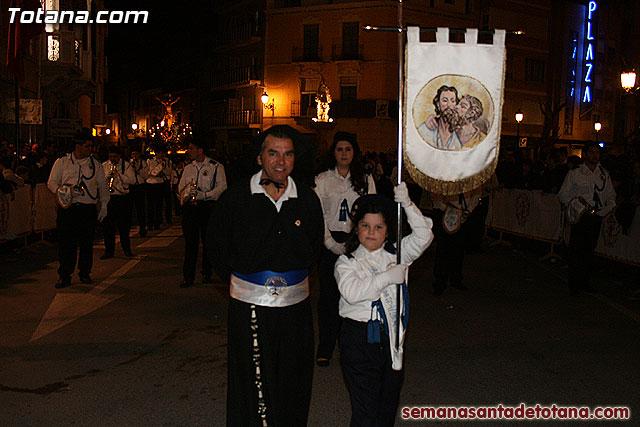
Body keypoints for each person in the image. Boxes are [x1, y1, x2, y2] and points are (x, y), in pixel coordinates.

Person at [208, 125, 324, 426]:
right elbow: (216, 248)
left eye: (287, 154)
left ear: (295, 159)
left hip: (296, 311)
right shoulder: (235, 199)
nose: (280, 162)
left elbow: (314, 249)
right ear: (260, 157)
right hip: (249, 309)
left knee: (294, 380)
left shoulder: (308, 201)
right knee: (252, 381)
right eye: (272, 153)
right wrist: (246, 284)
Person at [336, 184, 433, 427]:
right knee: (365, 409)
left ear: (388, 231)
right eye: (365, 226)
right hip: (359, 339)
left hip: (390, 339)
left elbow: (424, 236)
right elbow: (352, 292)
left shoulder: (397, 254)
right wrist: (386, 278)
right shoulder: (346, 262)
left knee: (387, 406)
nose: (371, 232)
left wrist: (408, 205)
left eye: (378, 227)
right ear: (356, 229)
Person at [314, 131, 376, 367]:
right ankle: (326, 346)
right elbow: (318, 215)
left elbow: (371, 212)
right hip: (329, 241)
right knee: (329, 297)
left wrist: (358, 244)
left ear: (354, 152)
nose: (343, 154)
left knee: (354, 296)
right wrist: (330, 244)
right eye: (339, 149)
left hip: (357, 241)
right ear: (334, 152)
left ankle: (351, 347)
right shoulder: (322, 179)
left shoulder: (365, 178)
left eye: (348, 149)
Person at [47, 131, 109, 288]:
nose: (91, 149)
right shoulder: (62, 162)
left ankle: (85, 273)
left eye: (91, 146)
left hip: (87, 208)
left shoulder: (95, 164)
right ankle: (65, 275)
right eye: (87, 146)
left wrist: (104, 205)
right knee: (66, 243)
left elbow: (102, 186)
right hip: (68, 208)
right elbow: (52, 182)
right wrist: (64, 191)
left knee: (86, 243)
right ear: (78, 146)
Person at [558, 141, 616, 295]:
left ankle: (585, 282)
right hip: (581, 216)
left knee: (589, 251)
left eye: (597, 152)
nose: (594, 156)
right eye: (591, 152)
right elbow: (563, 194)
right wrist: (577, 206)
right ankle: (574, 284)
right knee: (576, 251)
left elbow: (610, 194)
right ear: (585, 154)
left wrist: (608, 206)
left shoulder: (603, 173)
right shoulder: (575, 172)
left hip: (596, 216)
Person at [177, 140, 227, 287]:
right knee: (190, 243)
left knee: (208, 241)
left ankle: (207, 272)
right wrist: (186, 194)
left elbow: (221, 188)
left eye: (191, 148)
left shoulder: (216, 167)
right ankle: (188, 276)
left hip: (207, 207)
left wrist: (204, 195)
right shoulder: (188, 168)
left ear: (200, 150)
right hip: (191, 209)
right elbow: (181, 186)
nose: (188, 151)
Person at [101, 146, 136, 259]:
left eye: (115, 157)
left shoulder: (126, 165)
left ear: (119, 156)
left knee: (124, 226)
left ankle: (127, 249)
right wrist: (107, 178)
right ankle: (109, 251)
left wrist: (119, 176)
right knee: (108, 227)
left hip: (122, 198)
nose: (112, 159)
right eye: (110, 157)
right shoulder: (104, 165)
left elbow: (132, 180)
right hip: (109, 198)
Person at [417, 85, 462, 150]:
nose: (449, 105)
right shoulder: (426, 129)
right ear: (438, 104)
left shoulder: (459, 131)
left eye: (452, 101)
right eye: (445, 100)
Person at [146, 148, 172, 230]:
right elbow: (148, 172)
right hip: (150, 183)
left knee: (159, 205)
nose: (162, 155)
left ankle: (158, 223)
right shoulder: (150, 161)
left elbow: (169, 172)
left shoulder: (167, 161)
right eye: (160, 153)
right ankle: (150, 223)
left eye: (163, 153)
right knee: (150, 205)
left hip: (160, 183)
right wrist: (153, 172)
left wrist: (162, 167)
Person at [129, 147, 149, 237]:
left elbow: (145, 175)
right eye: (133, 154)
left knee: (141, 208)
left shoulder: (143, 163)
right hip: (131, 186)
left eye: (136, 154)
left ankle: (142, 227)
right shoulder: (128, 164)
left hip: (140, 186)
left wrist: (137, 170)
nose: (134, 156)